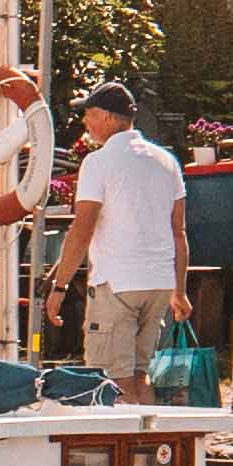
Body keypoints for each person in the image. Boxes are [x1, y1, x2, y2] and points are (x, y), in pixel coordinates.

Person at [47, 75, 193, 392]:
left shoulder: (98, 162)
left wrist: (60, 286)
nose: (85, 121)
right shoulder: (167, 161)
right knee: (139, 377)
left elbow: (81, 230)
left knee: (111, 384)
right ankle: (149, 442)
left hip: (118, 284)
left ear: (109, 117)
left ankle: (125, 442)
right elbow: (178, 232)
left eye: (89, 113)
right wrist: (179, 290)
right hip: (159, 283)